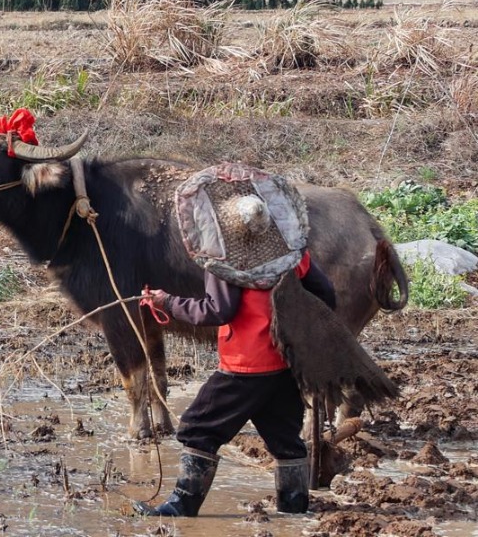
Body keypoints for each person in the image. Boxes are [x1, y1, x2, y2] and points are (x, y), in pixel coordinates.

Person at [137, 192, 337, 518]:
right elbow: (325, 294)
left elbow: (218, 310)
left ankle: (181, 508)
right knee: (286, 439)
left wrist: (167, 303)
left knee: (197, 429)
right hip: (285, 362)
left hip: (245, 365)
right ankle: (294, 511)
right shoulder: (291, 254)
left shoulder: (224, 261)